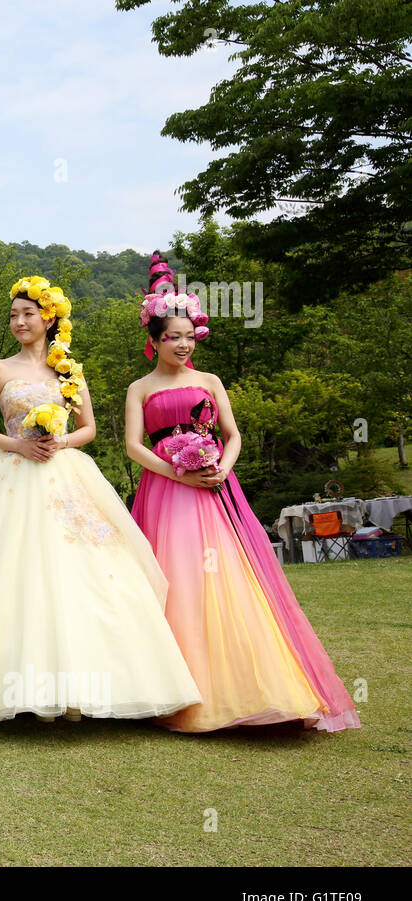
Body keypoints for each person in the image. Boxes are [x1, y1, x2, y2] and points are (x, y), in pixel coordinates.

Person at [0, 276, 201, 722]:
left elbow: (90, 428)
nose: (20, 321)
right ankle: (11, 686)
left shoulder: (69, 368)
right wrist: (19, 444)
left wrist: (60, 445)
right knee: (10, 571)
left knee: (81, 571)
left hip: (64, 476)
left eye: (28, 314)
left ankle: (84, 689)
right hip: (12, 474)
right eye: (13, 315)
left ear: (49, 318)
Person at [125, 252, 360, 732]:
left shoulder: (210, 381)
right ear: (154, 341)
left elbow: (233, 435)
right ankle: (174, 693)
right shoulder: (140, 388)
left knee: (222, 576)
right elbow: (132, 447)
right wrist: (177, 471)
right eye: (173, 337)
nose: (184, 345)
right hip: (164, 491)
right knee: (172, 576)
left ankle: (252, 689)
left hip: (213, 488)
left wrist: (219, 468)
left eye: (190, 337)